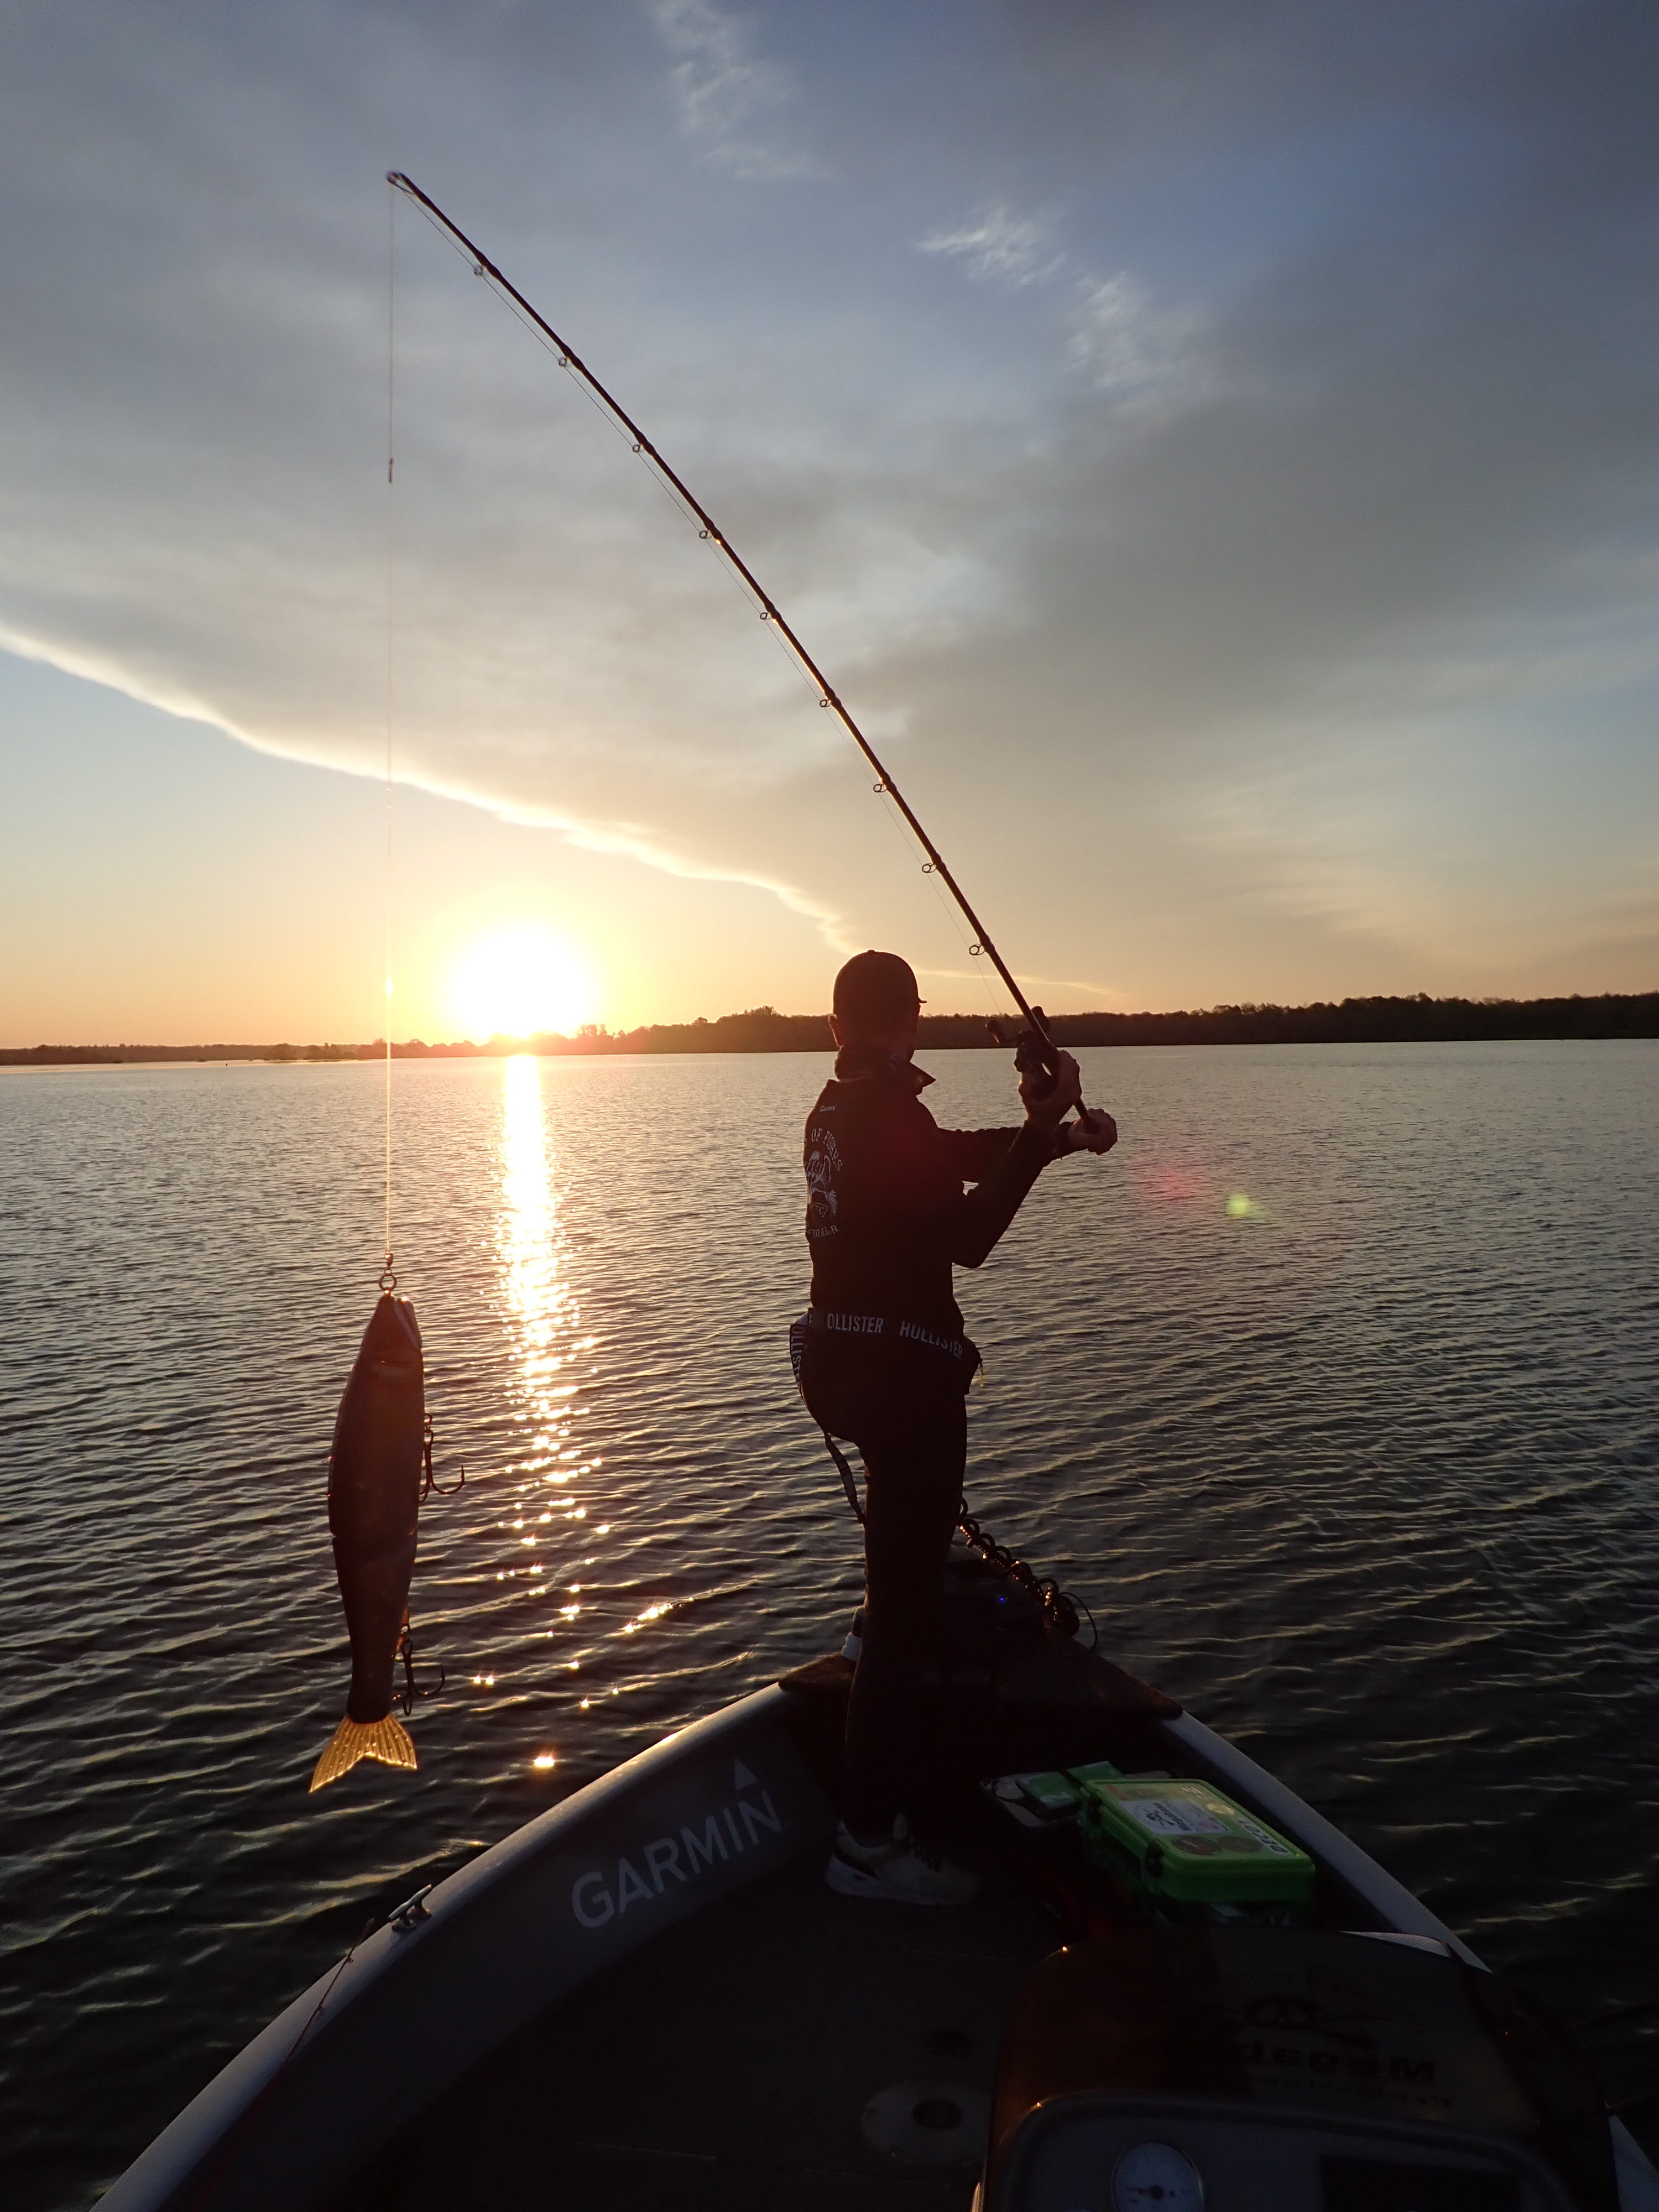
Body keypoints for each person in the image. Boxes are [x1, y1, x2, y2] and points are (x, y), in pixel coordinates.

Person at [791, 950, 1117, 1905]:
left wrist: (1045, 1139)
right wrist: (1047, 1120)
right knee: (906, 1613)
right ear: (913, 1020)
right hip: (905, 1383)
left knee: (897, 1556)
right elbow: (969, 1240)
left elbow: (938, 1157)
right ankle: (868, 1841)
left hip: (839, 1371)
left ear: (835, 1026)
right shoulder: (886, 1110)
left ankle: (867, 1630)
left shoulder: (836, 1110)